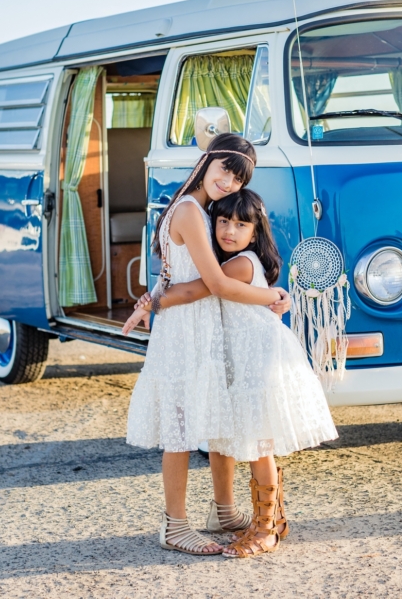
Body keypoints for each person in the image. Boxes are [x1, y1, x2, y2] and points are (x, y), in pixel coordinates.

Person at [125, 189, 338, 558]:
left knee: (258, 443)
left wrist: (152, 302)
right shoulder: (238, 260)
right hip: (242, 357)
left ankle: (267, 526)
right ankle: (240, 515)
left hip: (257, 359)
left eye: (240, 225)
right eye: (223, 221)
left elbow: (198, 288)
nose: (229, 230)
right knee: (237, 436)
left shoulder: (238, 265)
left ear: (254, 233)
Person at [125, 134, 290, 556]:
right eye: (226, 171)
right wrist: (273, 295)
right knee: (179, 429)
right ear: (207, 161)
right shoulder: (190, 212)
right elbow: (216, 284)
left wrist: (150, 302)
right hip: (186, 331)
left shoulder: (194, 209)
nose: (230, 183)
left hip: (196, 325)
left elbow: (171, 278)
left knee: (211, 416)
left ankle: (223, 511)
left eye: (239, 179)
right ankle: (175, 526)